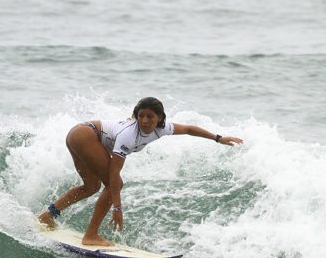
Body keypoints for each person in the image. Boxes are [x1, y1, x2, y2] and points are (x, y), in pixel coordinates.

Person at [38, 97, 243, 246]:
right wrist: (117, 209)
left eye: (150, 117)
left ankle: (49, 215)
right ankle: (91, 235)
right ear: (135, 116)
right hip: (85, 135)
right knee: (113, 185)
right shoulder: (129, 135)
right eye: (141, 116)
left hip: (79, 133)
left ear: (160, 118)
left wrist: (218, 138)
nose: (145, 121)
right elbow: (114, 176)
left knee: (91, 186)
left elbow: (189, 129)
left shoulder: (163, 128)